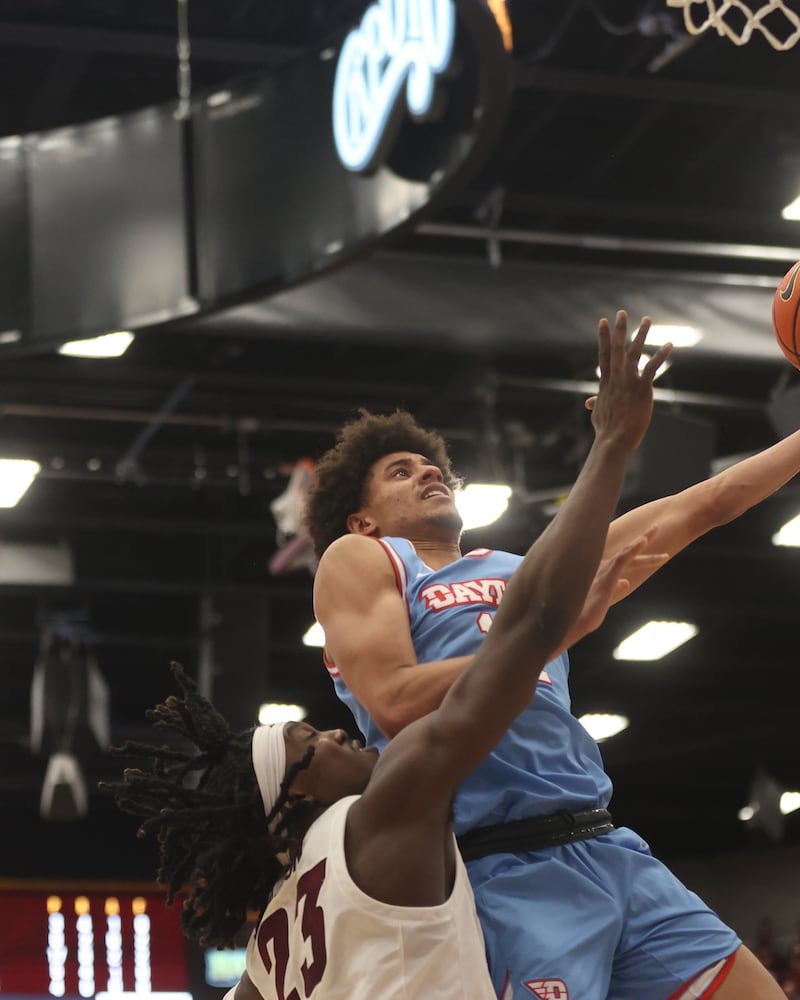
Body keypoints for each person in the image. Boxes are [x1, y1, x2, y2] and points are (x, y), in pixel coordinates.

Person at [304, 312, 800, 999]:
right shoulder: (364, 559)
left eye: (432, 464)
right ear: (361, 519)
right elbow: (394, 700)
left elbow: (703, 505)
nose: (429, 473)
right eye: (400, 471)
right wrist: (546, 632)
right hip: (501, 865)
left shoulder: (525, 567)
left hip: (605, 846)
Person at [102, 313, 668, 999]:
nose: (337, 729)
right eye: (313, 740)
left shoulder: (278, 931)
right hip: (526, 878)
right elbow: (454, 715)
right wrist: (551, 624)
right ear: (292, 800)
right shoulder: (373, 821)